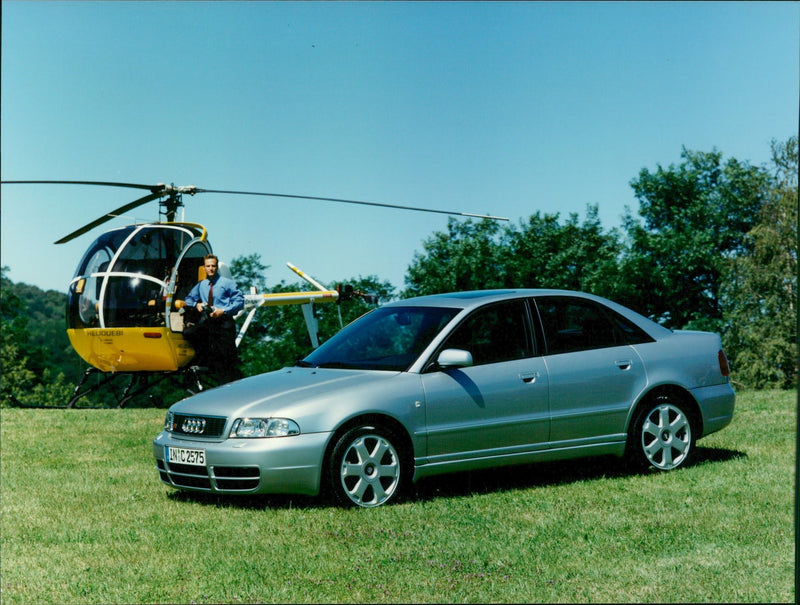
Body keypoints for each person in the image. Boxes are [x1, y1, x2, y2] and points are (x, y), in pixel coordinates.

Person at [183, 254, 245, 383]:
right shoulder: (201, 285)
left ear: (217, 267)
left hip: (224, 323)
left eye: (213, 266)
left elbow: (240, 301)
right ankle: (203, 363)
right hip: (208, 323)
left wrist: (223, 311)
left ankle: (234, 385)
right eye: (208, 266)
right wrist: (197, 304)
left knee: (227, 359)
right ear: (204, 268)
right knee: (189, 333)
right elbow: (188, 299)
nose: (211, 268)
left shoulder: (227, 283)